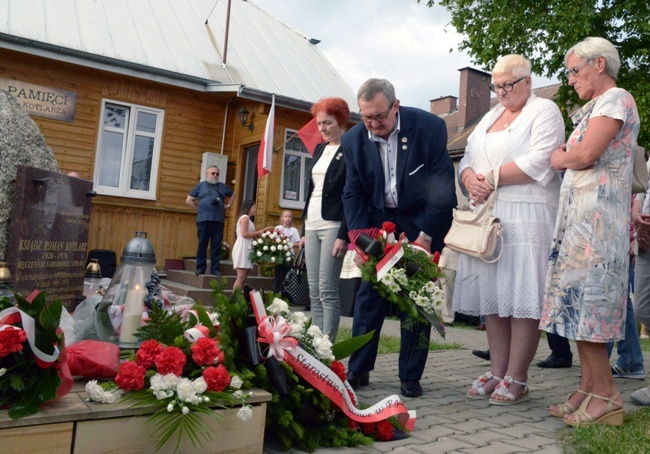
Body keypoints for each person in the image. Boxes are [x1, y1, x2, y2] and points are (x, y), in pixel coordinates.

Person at [452, 55, 565, 405]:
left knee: (522, 300)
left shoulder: (544, 111)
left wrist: (491, 178)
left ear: (527, 82)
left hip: (527, 216)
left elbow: (541, 158)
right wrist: (469, 177)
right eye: (496, 86)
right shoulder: (490, 116)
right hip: (488, 216)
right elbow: (468, 155)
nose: (501, 92)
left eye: (507, 85)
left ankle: (518, 377)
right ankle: (498, 372)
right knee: (495, 299)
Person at [540, 37, 640, 426]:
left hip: (598, 226)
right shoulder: (594, 107)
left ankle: (607, 395)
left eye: (574, 70)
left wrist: (560, 157)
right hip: (582, 224)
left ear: (599, 64)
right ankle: (587, 386)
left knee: (591, 307)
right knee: (576, 306)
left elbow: (582, 155)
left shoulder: (616, 99)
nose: (569, 79)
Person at [341, 78, 456, 398]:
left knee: (416, 301)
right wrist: (360, 238)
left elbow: (442, 188)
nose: (374, 124)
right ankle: (359, 368)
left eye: (380, 116)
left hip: (420, 221)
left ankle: (410, 375)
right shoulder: (352, 140)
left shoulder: (429, 128)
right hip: (378, 223)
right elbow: (352, 193)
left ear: (396, 106)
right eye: (367, 118)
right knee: (368, 298)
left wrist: (426, 238)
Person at [300, 97, 350, 342]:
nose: (322, 128)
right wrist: (303, 227)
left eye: (328, 123)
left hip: (333, 224)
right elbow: (311, 190)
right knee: (313, 290)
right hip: (311, 222)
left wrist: (344, 234)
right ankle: (314, 341)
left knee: (327, 290)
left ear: (341, 122)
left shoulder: (350, 150)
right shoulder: (320, 149)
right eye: (320, 123)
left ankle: (327, 345)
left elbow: (352, 194)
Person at [185, 166, 234, 276]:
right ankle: (200, 268)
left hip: (218, 220)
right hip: (203, 219)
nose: (215, 176)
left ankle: (215, 269)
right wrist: (198, 207)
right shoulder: (200, 186)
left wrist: (229, 205)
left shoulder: (223, 187)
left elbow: (233, 194)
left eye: (217, 174)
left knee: (216, 245)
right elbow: (189, 200)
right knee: (202, 244)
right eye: (213, 173)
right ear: (207, 174)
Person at [232, 200, 262, 290]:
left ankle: (238, 297)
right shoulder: (244, 218)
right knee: (241, 277)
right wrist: (258, 232)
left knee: (243, 278)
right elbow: (244, 234)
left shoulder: (249, 220)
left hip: (247, 247)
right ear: (248, 208)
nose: (255, 209)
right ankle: (234, 300)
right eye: (254, 207)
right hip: (242, 248)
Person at [273, 209, 301, 294]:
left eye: (289, 216)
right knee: (278, 276)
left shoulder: (294, 230)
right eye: (286, 216)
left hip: (289, 256)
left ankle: (285, 295)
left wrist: (289, 244)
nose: (288, 218)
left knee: (287, 276)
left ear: (292, 218)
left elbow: (298, 243)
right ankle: (275, 294)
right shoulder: (278, 228)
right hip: (279, 256)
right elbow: (274, 241)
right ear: (282, 218)